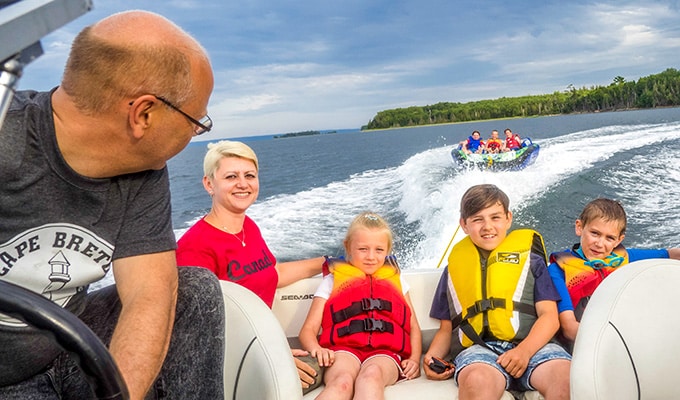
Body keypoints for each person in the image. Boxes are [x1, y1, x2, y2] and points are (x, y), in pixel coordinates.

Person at [0, 10, 224, 400]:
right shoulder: (7, 135)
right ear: (144, 113)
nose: (196, 132)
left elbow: (149, 293)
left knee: (194, 291)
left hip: (70, 350)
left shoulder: (144, 170)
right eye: (196, 121)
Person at [175, 140, 326, 392]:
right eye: (231, 176)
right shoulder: (194, 247)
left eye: (249, 175)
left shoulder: (249, 228)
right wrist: (272, 359)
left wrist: (327, 263)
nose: (242, 184)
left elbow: (272, 273)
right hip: (229, 361)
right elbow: (199, 332)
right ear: (209, 184)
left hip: (263, 343)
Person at [423, 184, 570, 400]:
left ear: (508, 219)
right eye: (477, 219)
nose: (487, 226)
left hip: (535, 346)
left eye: (495, 217)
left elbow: (550, 317)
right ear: (464, 224)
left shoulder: (533, 262)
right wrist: (431, 359)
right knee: (476, 382)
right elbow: (447, 329)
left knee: (566, 381)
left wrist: (524, 351)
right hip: (480, 351)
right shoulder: (453, 270)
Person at [298, 212, 422, 400]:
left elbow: (413, 326)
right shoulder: (332, 281)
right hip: (342, 351)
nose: (371, 257)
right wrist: (316, 349)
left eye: (379, 250)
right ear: (348, 246)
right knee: (342, 382)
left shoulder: (396, 280)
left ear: (388, 249)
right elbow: (308, 329)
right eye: (363, 249)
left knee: (371, 376)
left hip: (385, 353)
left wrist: (413, 359)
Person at [547, 198, 680, 344]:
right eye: (595, 233)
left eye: (609, 238)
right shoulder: (559, 270)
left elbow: (672, 255)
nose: (599, 243)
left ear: (619, 240)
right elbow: (569, 328)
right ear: (579, 227)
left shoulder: (624, 258)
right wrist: (617, 344)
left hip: (621, 337)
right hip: (582, 345)